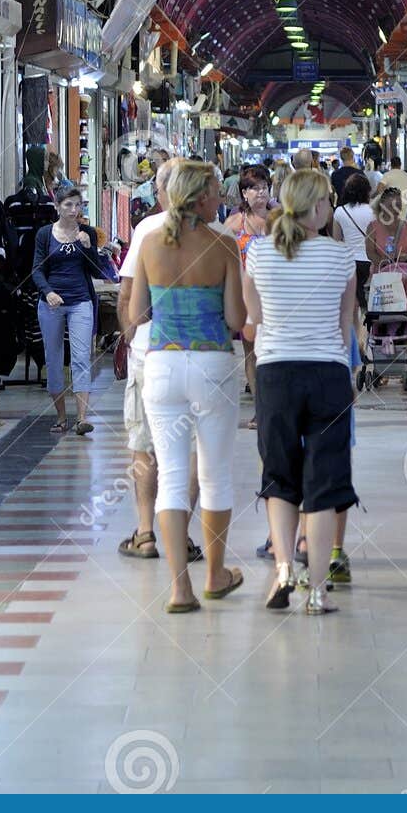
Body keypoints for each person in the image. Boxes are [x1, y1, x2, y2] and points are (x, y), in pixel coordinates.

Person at [131, 162, 246, 612]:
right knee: (214, 473)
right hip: (213, 364)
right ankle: (216, 575)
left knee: (172, 477)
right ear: (199, 198)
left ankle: (180, 589)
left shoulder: (148, 243)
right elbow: (236, 320)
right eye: (216, 192)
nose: (221, 199)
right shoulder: (223, 244)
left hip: (162, 367)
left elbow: (138, 314)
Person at [244, 168, 357, 614]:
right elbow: (344, 325)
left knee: (279, 475)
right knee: (324, 481)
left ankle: (283, 570)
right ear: (314, 208)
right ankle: (317, 590)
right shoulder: (340, 256)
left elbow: (253, 323)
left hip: (275, 375)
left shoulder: (258, 253)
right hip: (327, 372)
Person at [115, 159, 201, 564]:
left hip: (151, 353)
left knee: (145, 448)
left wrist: (132, 336)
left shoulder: (147, 230)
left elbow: (128, 297)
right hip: (200, 354)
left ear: (165, 190)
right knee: (192, 448)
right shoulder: (215, 234)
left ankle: (146, 533)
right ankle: (179, 535)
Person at [31, 186, 103, 436]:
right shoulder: (44, 234)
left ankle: (81, 418)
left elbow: (97, 272)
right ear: (57, 207)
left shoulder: (88, 233)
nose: (74, 210)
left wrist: (88, 248)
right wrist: (48, 291)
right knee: (53, 360)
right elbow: (36, 269)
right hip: (51, 303)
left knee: (81, 358)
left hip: (80, 301)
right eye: (68, 205)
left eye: (78, 205)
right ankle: (61, 416)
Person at [224, 164, 272, 425]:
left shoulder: (280, 220)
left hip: (276, 298)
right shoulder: (234, 224)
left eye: (264, 187)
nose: (260, 193)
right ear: (244, 193)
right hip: (246, 299)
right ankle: (260, 409)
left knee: (272, 354)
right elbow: (220, 259)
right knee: (252, 353)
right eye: (254, 188)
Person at [333, 170, 375, 306]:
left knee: (353, 304)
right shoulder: (373, 211)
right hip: (370, 262)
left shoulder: (340, 211)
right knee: (370, 303)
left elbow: (337, 241)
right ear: (366, 191)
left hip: (349, 263)